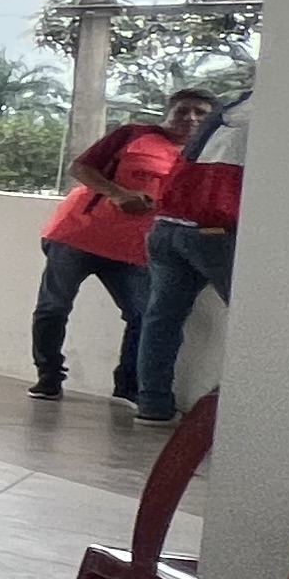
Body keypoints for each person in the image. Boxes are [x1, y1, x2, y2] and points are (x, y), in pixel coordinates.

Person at [31, 89, 210, 403]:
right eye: (183, 110)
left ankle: (128, 386)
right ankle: (49, 376)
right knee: (53, 307)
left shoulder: (202, 156)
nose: (190, 118)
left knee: (142, 316)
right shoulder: (133, 135)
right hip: (78, 235)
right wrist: (117, 193)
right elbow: (80, 168)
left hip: (133, 249)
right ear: (169, 111)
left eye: (200, 113)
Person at [132, 79, 250, 425]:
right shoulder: (263, 114)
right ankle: (246, 413)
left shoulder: (228, 112)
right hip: (213, 231)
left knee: (161, 320)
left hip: (167, 227)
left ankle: (152, 405)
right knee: (255, 318)